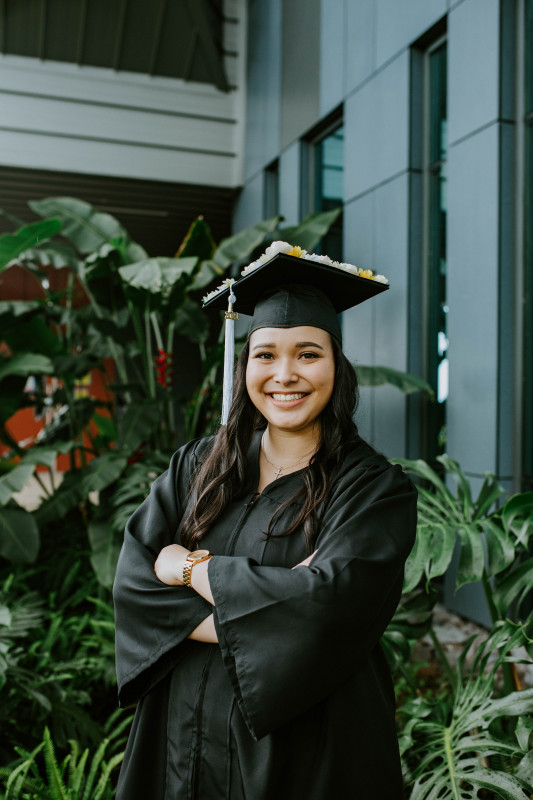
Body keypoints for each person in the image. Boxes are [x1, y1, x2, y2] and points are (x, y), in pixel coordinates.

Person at [113, 243, 418, 799]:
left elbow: (324, 612)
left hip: (304, 751)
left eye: (308, 354)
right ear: (245, 366)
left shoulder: (372, 489)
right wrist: (270, 601)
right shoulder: (198, 467)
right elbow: (134, 582)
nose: (285, 375)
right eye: (265, 355)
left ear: (336, 365)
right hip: (178, 737)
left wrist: (190, 569)